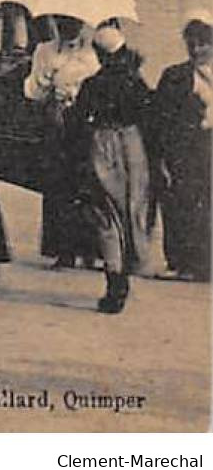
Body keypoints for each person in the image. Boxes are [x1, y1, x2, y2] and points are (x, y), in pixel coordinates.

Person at [73, 25, 159, 313]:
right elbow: (151, 118)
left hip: (104, 144)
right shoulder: (136, 82)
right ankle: (129, 268)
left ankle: (115, 280)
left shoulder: (93, 84)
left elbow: (77, 122)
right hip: (133, 147)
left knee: (106, 214)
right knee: (132, 210)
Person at [24, 17, 101, 269]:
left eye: (75, 23)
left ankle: (90, 250)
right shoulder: (44, 51)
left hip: (85, 120)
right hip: (57, 121)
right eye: (63, 22)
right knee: (59, 182)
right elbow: (33, 91)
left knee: (88, 182)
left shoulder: (92, 53)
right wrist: (47, 80)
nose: (69, 27)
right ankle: (63, 249)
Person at [149, 17, 212, 281]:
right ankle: (179, 262)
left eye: (203, 44)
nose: (196, 50)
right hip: (183, 149)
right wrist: (161, 155)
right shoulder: (174, 76)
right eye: (191, 44)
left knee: (208, 205)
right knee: (179, 203)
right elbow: (160, 118)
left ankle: (204, 263)